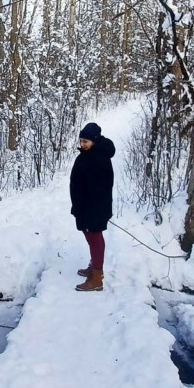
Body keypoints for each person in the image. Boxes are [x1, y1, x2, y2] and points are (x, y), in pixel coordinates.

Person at [69, 122, 115, 292]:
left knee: (95, 239)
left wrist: (89, 209)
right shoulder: (89, 154)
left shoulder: (99, 157)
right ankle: (94, 266)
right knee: (91, 238)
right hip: (85, 207)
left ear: (94, 140)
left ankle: (96, 278)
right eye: (81, 141)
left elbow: (100, 188)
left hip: (94, 208)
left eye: (85, 141)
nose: (82, 144)